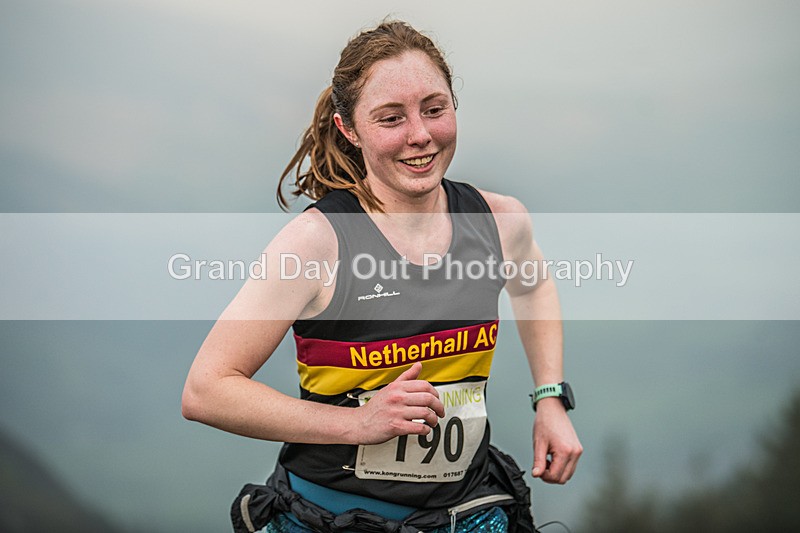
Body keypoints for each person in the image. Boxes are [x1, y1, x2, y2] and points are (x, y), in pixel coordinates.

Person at [182, 19, 582, 533]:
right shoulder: (316, 243)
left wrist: (549, 398)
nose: (420, 135)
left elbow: (533, 284)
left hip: (470, 514)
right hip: (331, 518)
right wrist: (356, 423)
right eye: (391, 118)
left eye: (434, 110)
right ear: (349, 128)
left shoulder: (499, 222)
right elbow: (206, 389)